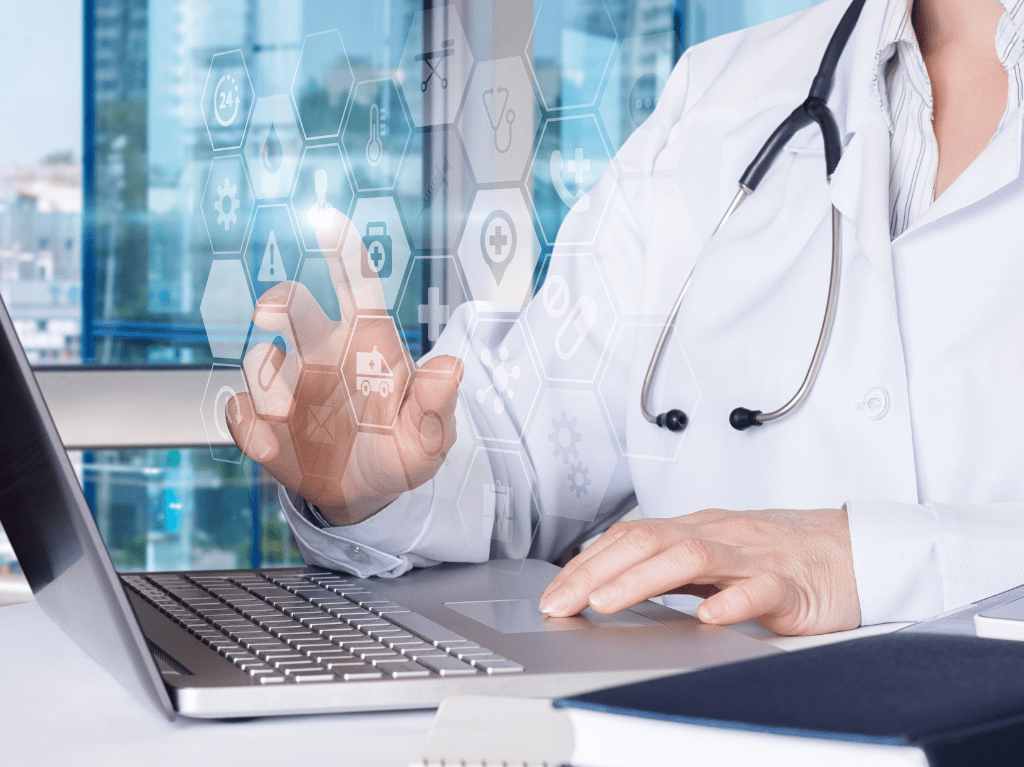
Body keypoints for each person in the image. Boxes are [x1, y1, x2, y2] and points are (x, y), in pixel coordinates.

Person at [227, 0, 1024, 636]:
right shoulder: (724, 98)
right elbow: (529, 463)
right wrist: (381, 482)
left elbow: (874, 559)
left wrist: (869, 560)